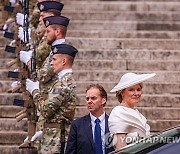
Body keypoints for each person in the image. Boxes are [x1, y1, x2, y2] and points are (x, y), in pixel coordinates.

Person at [25, 43, 78, 153]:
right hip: (52, 134)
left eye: (54, 59)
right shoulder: (62, 81)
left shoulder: (63, 84)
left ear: (63, 61)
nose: (51, 63)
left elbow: (46, 110)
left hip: (56, 140)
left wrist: (34, 91)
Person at [108, 72, 156, 150]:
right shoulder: (118, 113)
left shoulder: (140, 115)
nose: (136, 93)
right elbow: (121, 148)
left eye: (138, 89)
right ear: (122, 92)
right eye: (131, 90)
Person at [65, 84, 114, 154]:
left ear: (103, 100)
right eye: (87, 98)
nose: (89, 101)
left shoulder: (113, 123)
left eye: (93, 98)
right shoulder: (77, 125)